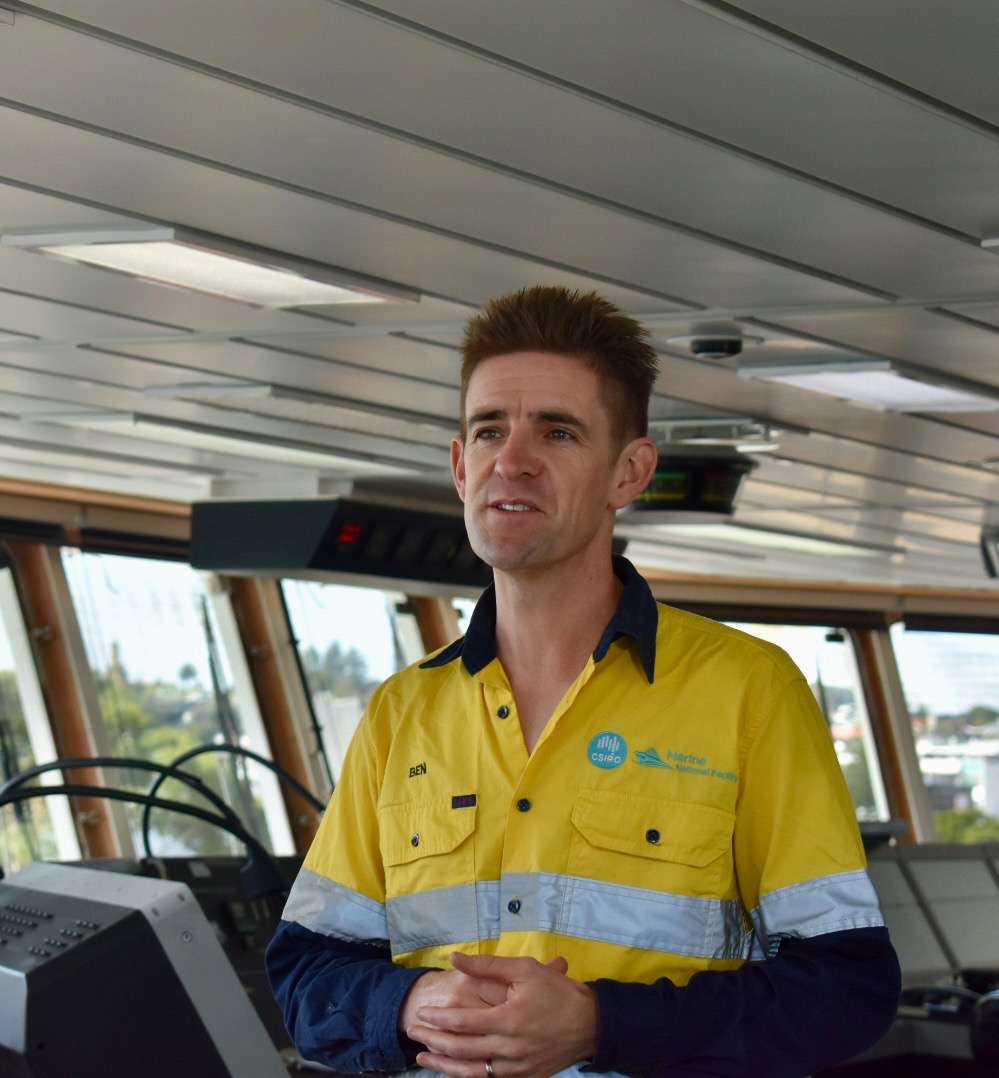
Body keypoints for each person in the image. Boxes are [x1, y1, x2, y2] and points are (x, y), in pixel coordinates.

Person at [266, 286, 900, 1077]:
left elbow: (844, 988)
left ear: (627, 472)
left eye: (557, 432)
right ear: (460, 467)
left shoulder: (749, 690)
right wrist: (410, 1004)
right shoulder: (403, 712)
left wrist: (602, 1023)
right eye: (488, 430)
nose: (513, 460)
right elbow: (306, 971)